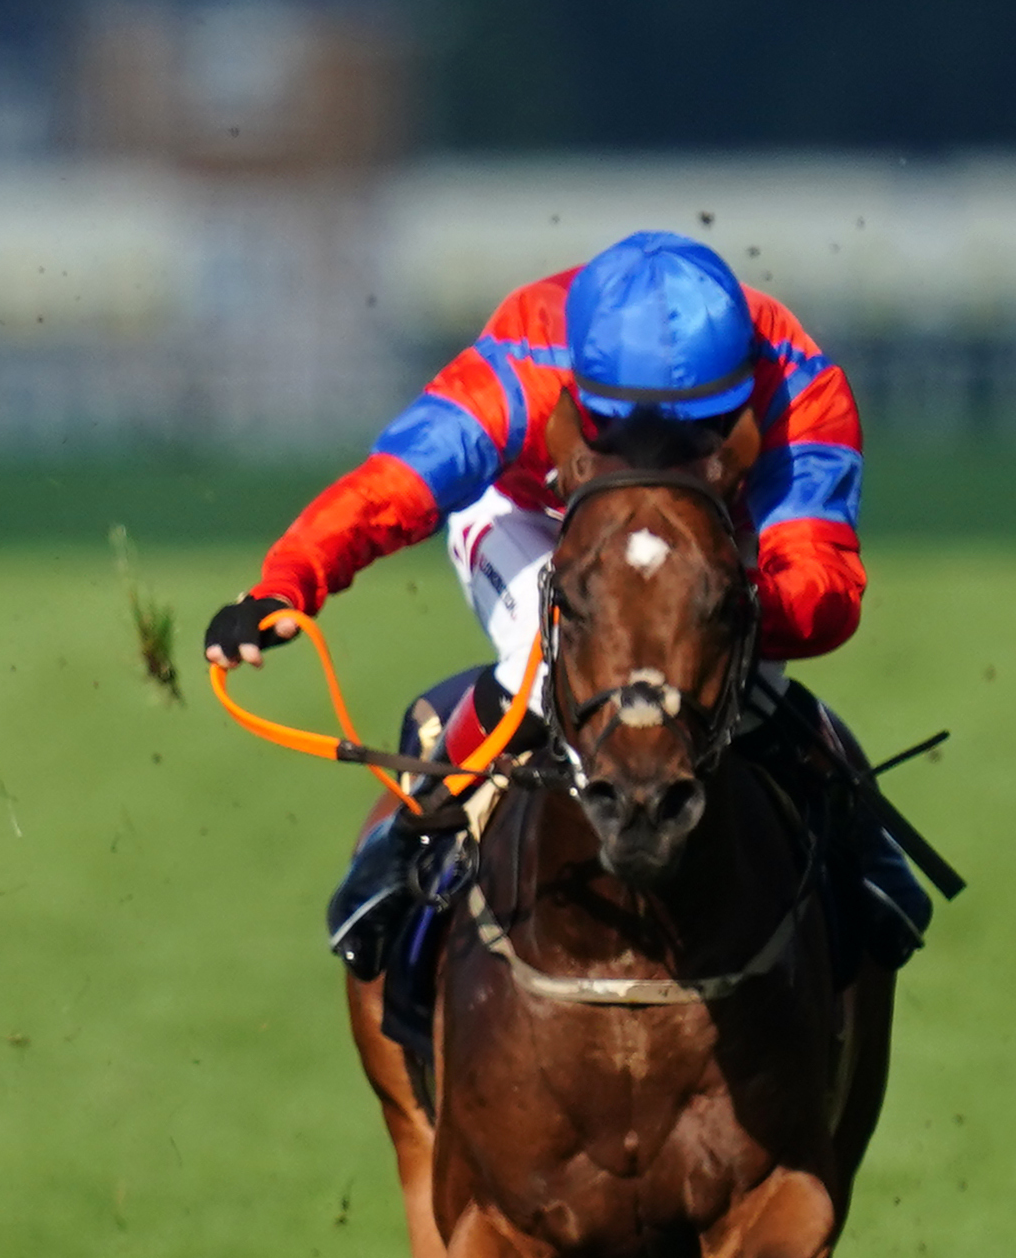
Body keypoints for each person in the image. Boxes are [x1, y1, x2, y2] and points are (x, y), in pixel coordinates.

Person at [204, 227, 926, 979]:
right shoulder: (525, 356)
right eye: (623, 426)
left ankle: (852, 836)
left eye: (695, 431)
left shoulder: (799, 385)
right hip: (533, 519)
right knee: (541, 655)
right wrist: (286, 582)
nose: (653, 451)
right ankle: (416, 833)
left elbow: (824, 585)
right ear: (579, 390)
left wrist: (720, 612)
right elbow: (391, 489)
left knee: (739, 677)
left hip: (707, 542)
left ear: (743, 386)